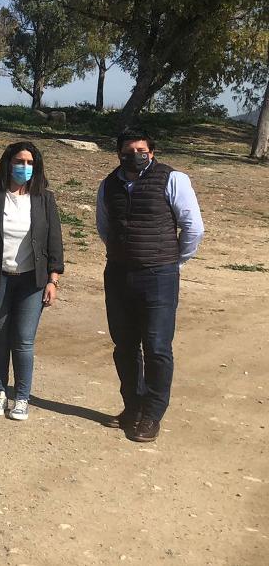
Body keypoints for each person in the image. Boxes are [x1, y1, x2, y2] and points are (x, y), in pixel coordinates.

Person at [96, 130, 203, 443]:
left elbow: (193, 228)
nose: (135, 155)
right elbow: (104, 227)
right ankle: (132, 406)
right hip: (118, 275)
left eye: (141, 150)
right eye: (128, 151)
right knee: (124, 347)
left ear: (152, 152)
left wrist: (172, 261)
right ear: (119, 154)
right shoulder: (108, 184)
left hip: (159, 276)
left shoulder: (173, 180)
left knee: (157, 347)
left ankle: (153, 414)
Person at [0, 141, 64, 421]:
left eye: (30, 162)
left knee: (23, 340)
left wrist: (53, 280)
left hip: (32, 281)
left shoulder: (44, 198)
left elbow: (54, 241)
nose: (24, 167)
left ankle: (21, 397)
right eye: (19, 162)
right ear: (8, 163)